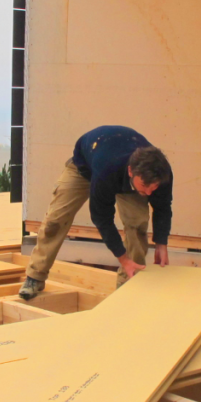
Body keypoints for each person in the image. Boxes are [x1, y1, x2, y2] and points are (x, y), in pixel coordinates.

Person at [18, 125, 173, 300]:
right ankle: (35, 277)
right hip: (85, 168)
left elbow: (163, 206)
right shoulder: (108, 167)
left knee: (137, 223)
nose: (150, 193)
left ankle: (128, 283)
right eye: (145, 187)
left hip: (119, 170)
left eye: (154, 188)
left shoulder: (161, 173)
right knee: (56, 219)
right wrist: (122, 258)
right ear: (131, 171)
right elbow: (101, 217)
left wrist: (161, 243)